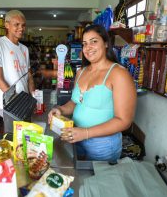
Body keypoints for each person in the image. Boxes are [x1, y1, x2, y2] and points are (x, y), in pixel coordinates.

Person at [48, 24, 136, 162]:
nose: (88, 47)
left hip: (103, 145)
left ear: (106, 43)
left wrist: (86, 133)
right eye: (84, 43)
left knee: (97, 182)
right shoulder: (81, 72)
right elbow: (75, 102)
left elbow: (124, 121)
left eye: (94, 41)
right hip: (76, 136)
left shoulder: (119, 74)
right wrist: (59, 109)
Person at [0, 10, 35, 117]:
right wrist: (16, 101)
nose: (21, 28)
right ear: (7, 25)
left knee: (27, 133)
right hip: (9, 104)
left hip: (25, 102)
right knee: (12, 134)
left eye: (23, 25)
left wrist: (34, 97)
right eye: (16, 24)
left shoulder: (24, 49)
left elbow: (29, 76)